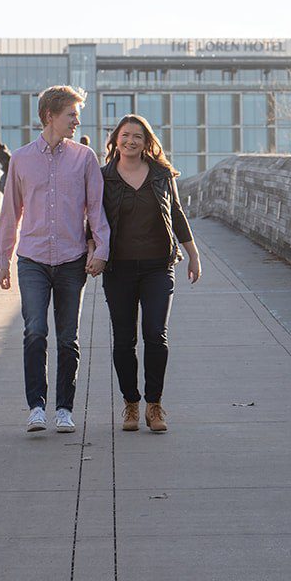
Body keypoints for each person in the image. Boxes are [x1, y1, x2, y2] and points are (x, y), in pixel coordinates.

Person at [0, 87, 110, 433]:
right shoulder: (21, 158)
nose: (77, 121)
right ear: (50, 115)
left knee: (68, 337)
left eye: (77, 115)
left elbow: (96, 209)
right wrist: (4, 260)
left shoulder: (85, 157)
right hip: (31, 259)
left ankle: (64, 408)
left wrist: (100, 250)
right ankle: (36, 407)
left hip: (72, 260)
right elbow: (10, 213)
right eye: (71, 114)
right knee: (34, 332)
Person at [97, 114, 200, 433]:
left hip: (159, 266)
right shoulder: (103, 177)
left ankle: (154, 406)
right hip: (119, 269)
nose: (130, 141)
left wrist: (193, 253)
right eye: (125, 135)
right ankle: (131, 404)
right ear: (115, 140)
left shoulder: (161, 174)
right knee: (124, 340)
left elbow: (178, 213)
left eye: (137, 137)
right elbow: (92, 219)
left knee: (155, 334)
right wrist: (91, 249)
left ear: (147, 142)